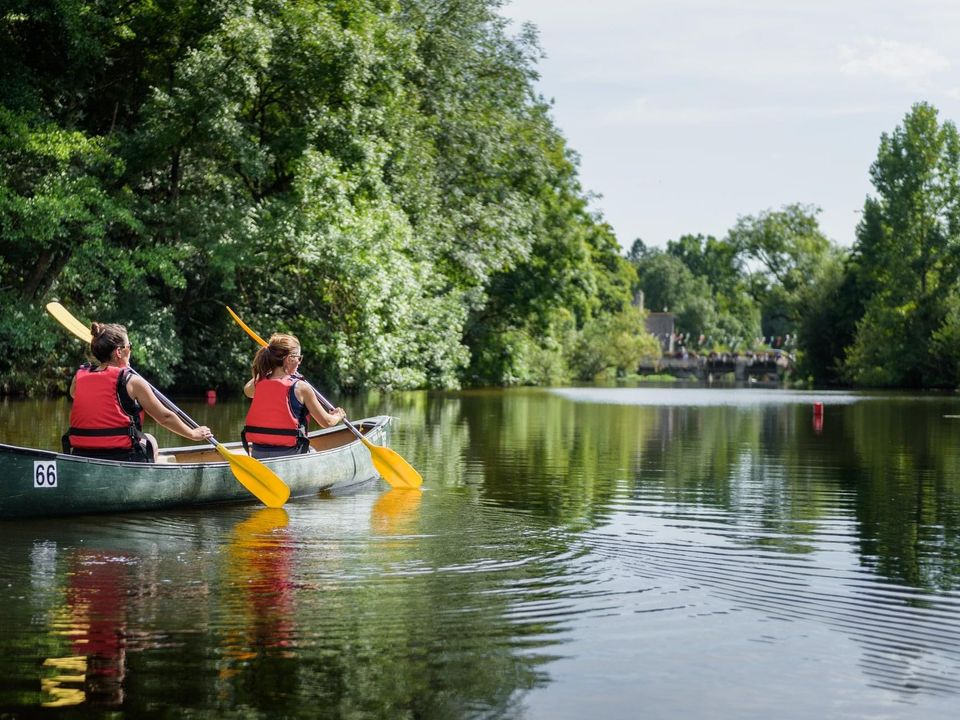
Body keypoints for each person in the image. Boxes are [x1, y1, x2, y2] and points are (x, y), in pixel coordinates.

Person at [64, 322, 212, 462]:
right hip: (121, 456)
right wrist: (193, 433)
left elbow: (74, 394)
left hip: (80, 453)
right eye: (130, 346)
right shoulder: (133, 382)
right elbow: (164, 417)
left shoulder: (80, 377)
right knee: (151, 441)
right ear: (119, 352)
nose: (131, 350)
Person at [242, 333, 346, 459]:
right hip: (290, 455)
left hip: (258, 454)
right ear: (289, 358)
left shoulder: (258, 384)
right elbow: (326, 422)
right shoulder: (301, 387)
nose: (299, 362)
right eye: (298, 358)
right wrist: (338, 416)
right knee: (315, 453)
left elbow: (247, 390)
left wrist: (267, 368)